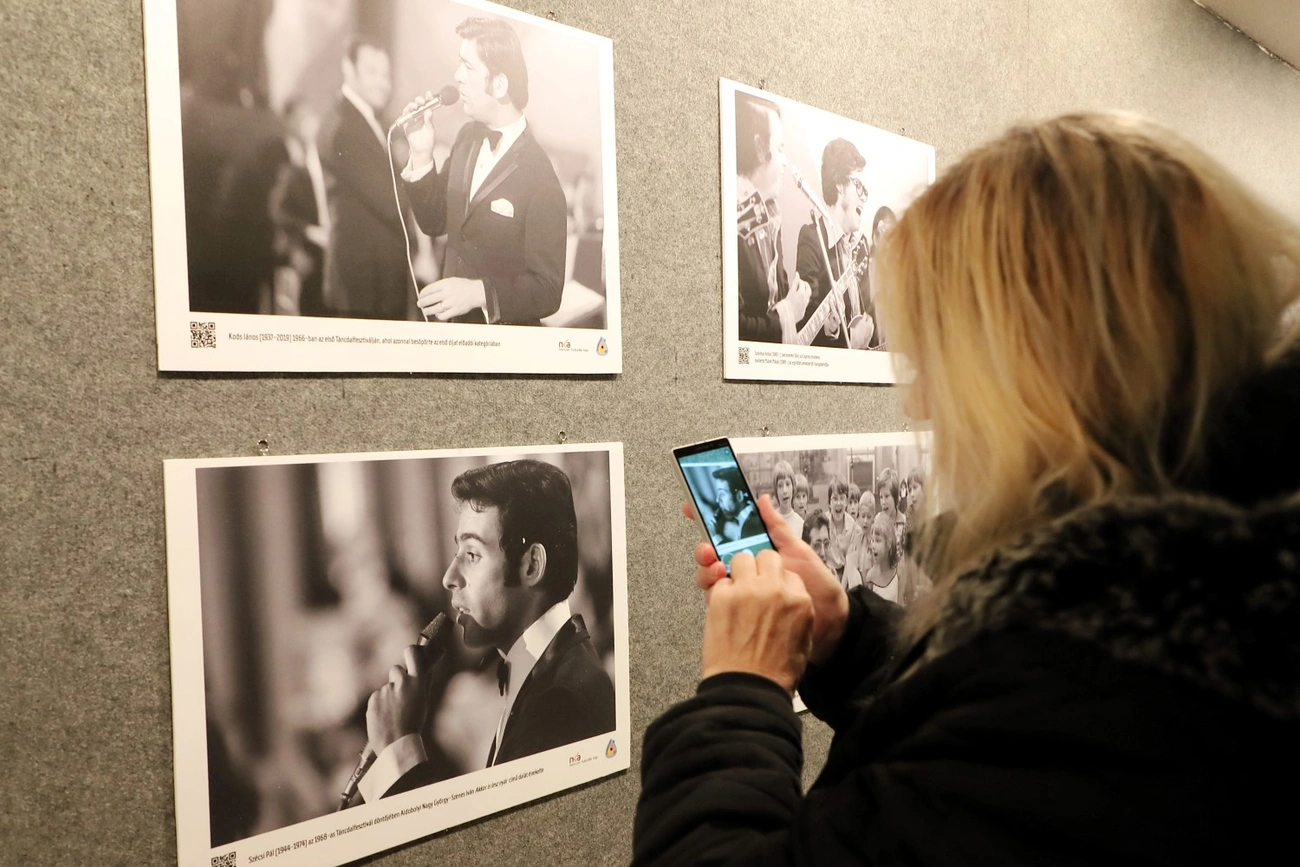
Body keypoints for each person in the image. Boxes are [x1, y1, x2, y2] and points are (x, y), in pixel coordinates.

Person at [633, 112, 1300, 865]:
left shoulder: (1107, 696)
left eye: (939, 362)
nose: (920, 405)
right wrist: (848, 638)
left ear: (1042, 370)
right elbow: (975, 742)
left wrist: (739, 695)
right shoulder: (1195, 597)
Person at [357, 460, 614, 802]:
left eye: (473, 554)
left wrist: (397, 750)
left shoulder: (556, 704)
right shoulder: (546, 674)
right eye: (456, 553)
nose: (449, 577)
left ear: (531, 565)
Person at [398, 17, 567, 326]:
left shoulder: (541, 177)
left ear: (499, 84)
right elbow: (435, 221)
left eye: (468, 67)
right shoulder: (466, 137)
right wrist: (421, 153)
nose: (456, 75)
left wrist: (479, 293)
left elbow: (548, 290)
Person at [317, 36, 414, 320]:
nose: (383, 83)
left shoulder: (371, 122)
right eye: (372, 72)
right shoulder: (344, 127)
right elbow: (390, 201)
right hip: (361, 288)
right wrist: (423, 162)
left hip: (374, 286)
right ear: (349, 69)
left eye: (386, 74)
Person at [734, 91, 811, 343]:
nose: (786, 162)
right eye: (780, 149)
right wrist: (789, 311)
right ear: (759, 148)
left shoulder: (771, 212)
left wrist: (797, 304)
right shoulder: (734, 220)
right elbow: (736, 327)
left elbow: (777, 304)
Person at [794, 139, 876, 348]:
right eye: (859, 187)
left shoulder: (861, 245)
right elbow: (805, 329)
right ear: (840, 185)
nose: (864, 198)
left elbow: (866, 317)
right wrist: (846, 343)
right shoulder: (812, 237)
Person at [709, 467, 764, 546]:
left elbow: (742, 556)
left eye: (722, 494)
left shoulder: (752, 525)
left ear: (739, 496)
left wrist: (715, 537)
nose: (717, 500)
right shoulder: (748, 521)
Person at [861, 511, 899, 603]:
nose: (873, 545)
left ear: (889, 544)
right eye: (872, 540)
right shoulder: (870, 576)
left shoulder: (898, 572)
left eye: (877, 541)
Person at [770, 460, 804, 540]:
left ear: (793, 486)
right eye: (780, 486)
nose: (785, 490)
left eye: (788, 484)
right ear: (776, 490)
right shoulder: (770, 522)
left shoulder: (800, 524)